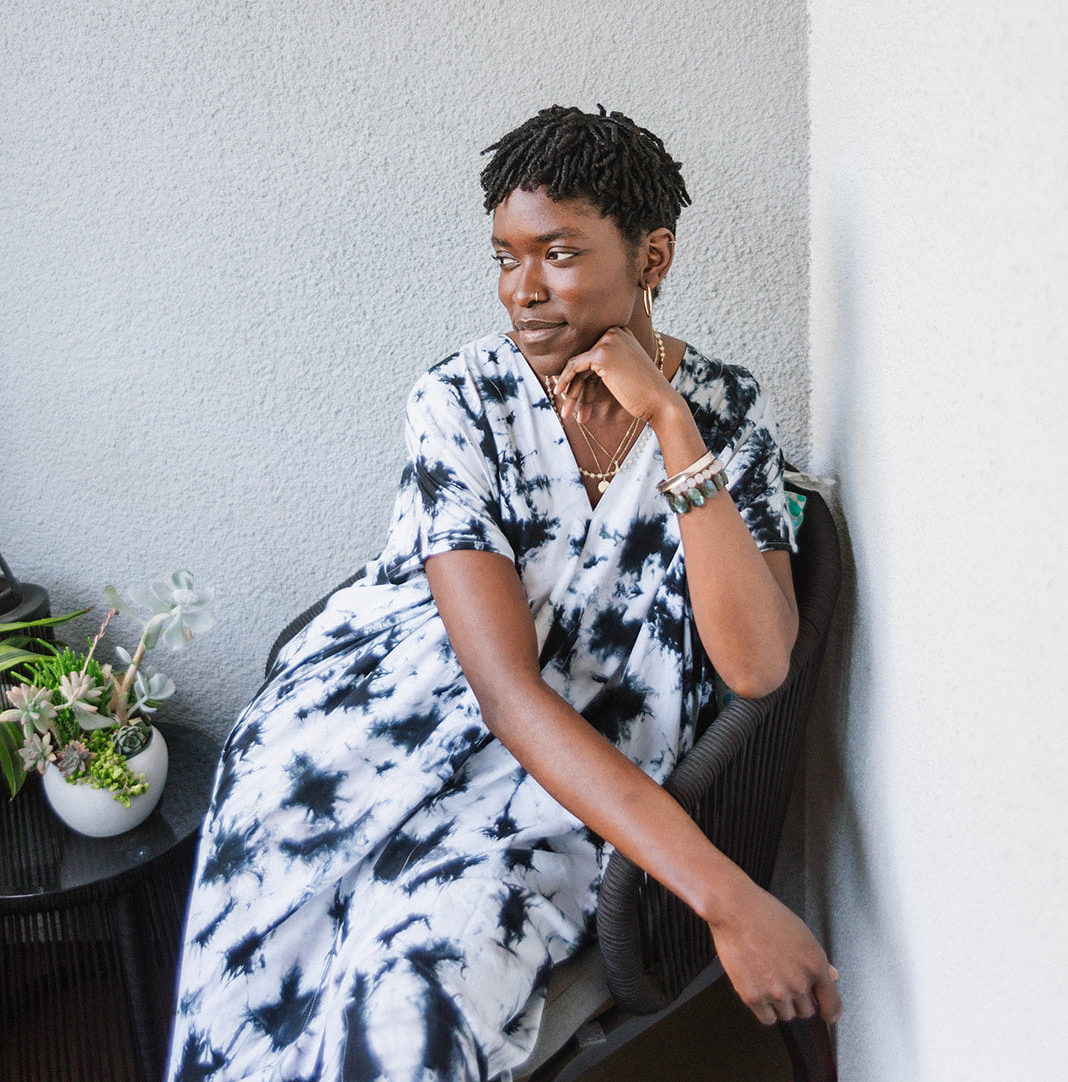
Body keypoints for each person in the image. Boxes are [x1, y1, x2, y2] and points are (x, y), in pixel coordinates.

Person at [167, 105, 841, 1082]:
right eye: (505, 255)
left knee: (408, 999)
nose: (522, 291)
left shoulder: (728, 406)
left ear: (652, 256)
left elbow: (760, 660)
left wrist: (672, 423)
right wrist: (734, 899)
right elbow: (505, 691)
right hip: (370, 740)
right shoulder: (462, 401)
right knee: (271, 987)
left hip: (563, 793)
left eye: (559, 253)